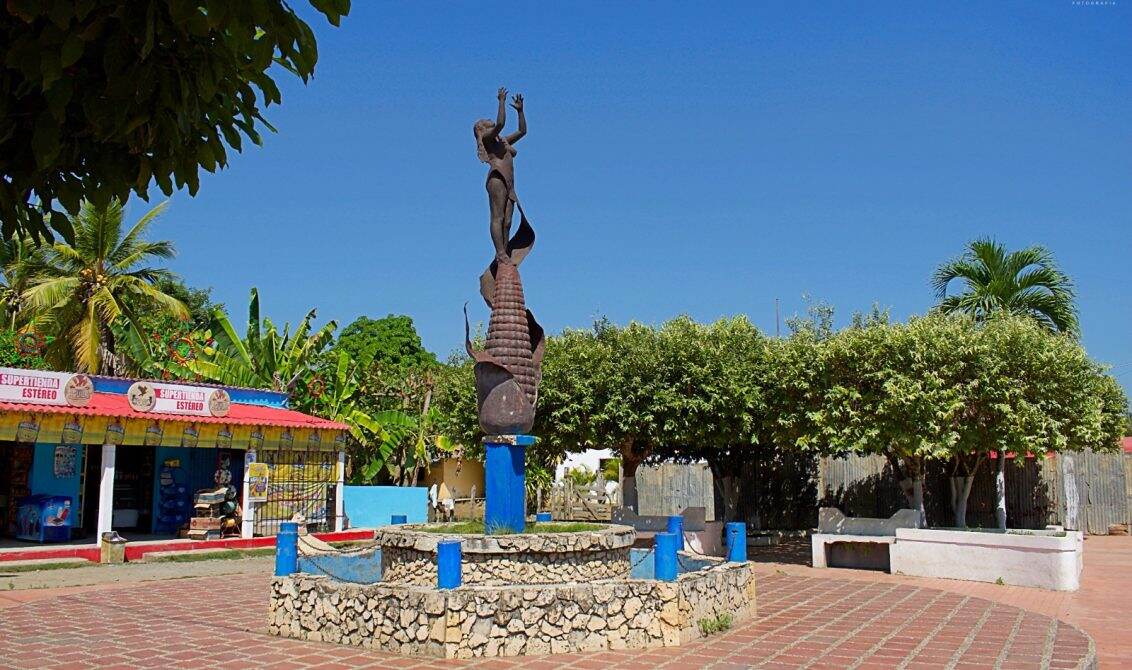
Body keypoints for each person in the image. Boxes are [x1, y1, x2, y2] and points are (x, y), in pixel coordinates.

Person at [474, 87, 527, 258]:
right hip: (497, 178)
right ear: (481, 128)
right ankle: (500, 253)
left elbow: (522, 131)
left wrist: (520, 112)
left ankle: (504, 254)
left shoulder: (502, 141)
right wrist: (501, 102)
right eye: (484, 120)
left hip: (509, 183)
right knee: (498, 217)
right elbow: (501, 123)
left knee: (508, 221)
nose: (488, 118)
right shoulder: (487, 139)